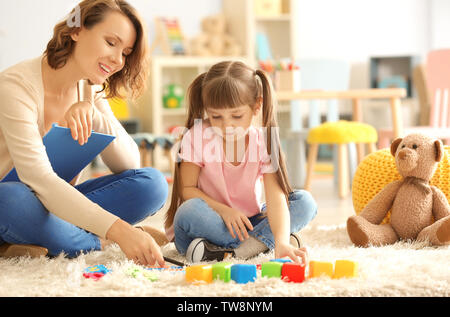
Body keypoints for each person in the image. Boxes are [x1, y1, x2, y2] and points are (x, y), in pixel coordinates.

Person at [0, 0, 168, 267]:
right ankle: (99, 242)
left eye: (125, 52)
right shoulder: (15, 86)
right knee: (9, 199)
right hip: (14, 201)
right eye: (111, 42)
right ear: (76, 31)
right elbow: (39, 179)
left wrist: (95, 117)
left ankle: (43, 240)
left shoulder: (90, 85)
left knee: (152, 184)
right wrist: (120, 232)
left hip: (55, 206)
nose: (117, 60)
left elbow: (129, 164)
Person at [165, 61, 317, 264]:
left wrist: (281, 242)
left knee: (304, 202)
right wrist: (224, 210)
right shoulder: (197, 135)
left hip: (248, 222)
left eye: (236, 116)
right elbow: (188, 190)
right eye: (216, 116)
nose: (226, 125)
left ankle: (233, 252)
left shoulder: (264, 140)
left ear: (256, 106)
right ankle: (259, 245)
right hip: (209, 222)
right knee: (188, 211)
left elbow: (276, 196)